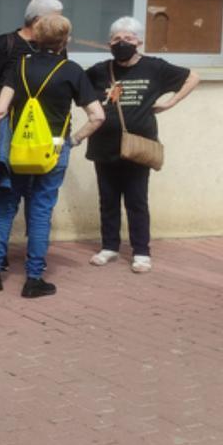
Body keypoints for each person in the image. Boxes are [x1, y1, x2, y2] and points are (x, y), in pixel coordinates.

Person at [0, 15, 105, 298]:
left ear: (36, 38)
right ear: (65, 40)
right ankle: (33, 279)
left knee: (5, 206)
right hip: (53, 152)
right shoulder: (72, 70)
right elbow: (97, 116)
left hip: (18, 149)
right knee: (41, 211)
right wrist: (72, 140)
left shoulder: (20, 66)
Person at [86, 17, 200, 273]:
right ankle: (109, 247)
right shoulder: (99, 70)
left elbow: (193, 77)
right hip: (104, 146)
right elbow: (78, 89)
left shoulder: (155, 68)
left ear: (139, 41)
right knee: (108, 199)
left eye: (128, 38)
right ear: (109, 43)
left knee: (137, 200)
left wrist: (171, 102)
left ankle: (141, 251)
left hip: (139, 146)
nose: (122, 43)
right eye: (116, 39)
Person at [0, 0, 64, 272]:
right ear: (38, 21)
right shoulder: (5, 44)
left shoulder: (57, 49)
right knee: (5, 196)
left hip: (41, 137)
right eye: (56, 18)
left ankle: (25, 261)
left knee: (38, 201)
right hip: (7, 133)